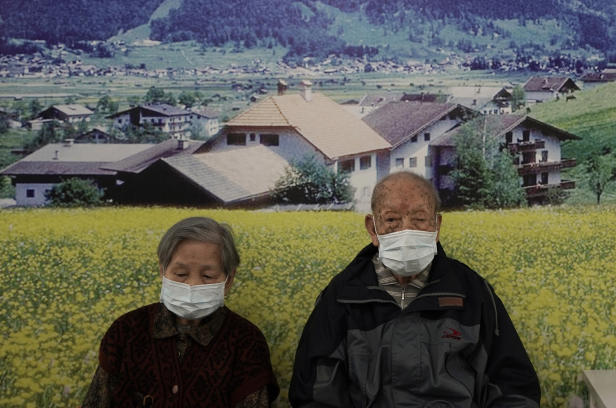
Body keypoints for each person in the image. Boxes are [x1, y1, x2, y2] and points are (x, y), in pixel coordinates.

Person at [289, 171, 541, 407]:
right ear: (372, 228)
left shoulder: (472, 292)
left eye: (419, 219)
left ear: (437, 226)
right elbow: (314, 393)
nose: (406, 231)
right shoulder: (342, 296)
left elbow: (513, 385)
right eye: (391, 220)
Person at [81, 216, 279, 407]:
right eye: (181, 274)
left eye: (208, 276)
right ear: (162, 270)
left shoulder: (247, 342)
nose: (192, 284)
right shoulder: (126, 331)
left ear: (229, 280)